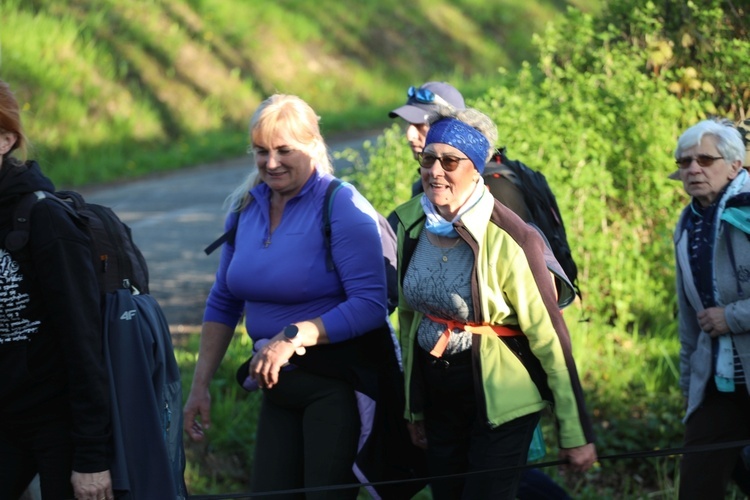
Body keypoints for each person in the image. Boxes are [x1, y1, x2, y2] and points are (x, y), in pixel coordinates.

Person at [183, 94, 393, 499]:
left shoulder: (341, 206)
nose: (271, 163)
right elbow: (224, 300)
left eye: (284, 150)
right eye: (261, 152)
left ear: (313, 145)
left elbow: (371, 303)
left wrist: (294, 336)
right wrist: (200, 385)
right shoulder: (246, 208)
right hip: (278, 387)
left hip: (335, 386)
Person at [391, 104, 597, 500]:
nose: (436, 171)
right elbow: (408, 320)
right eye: (428, 158)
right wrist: (413, 408)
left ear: (476, 168)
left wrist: (575, 433)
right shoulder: (409, 225)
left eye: (450, 161)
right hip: (438, 397)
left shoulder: (512, 238)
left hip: (502, 398)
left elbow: (551, 339)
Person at [0, 79, 114, 499]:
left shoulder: (45, 220)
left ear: (6, 140)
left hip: (58, 425)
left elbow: (83, 341)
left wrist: (91, 458)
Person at [673, 118, 750, 499]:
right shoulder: (688, 224)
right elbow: (690, 319)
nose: (693, 169)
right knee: (697, 487)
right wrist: (690, 389)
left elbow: (717, 317)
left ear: (736, 165)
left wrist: (731, 317)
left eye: (705, 159)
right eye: (684, 162)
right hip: (717, 382)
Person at [388, 81, 531, 220]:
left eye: (421, 125)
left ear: (452, 124)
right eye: (409, 124)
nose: (410, 135)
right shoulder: (425, 185)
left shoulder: (496, 186)